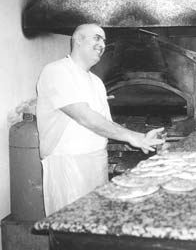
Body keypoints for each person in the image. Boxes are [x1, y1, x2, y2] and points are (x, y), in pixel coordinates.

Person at [36, 24, 165, 216]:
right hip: (69, 163)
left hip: (97, 160)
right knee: (71, 225)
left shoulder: (96, 82)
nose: (102, 44)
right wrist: (133, 137)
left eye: (104, 40)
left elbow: (105, 123)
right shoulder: (57, 71)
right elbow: (85, 117)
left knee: (96, 220)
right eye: (97, 38)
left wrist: (142, 138)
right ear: (78, 40)